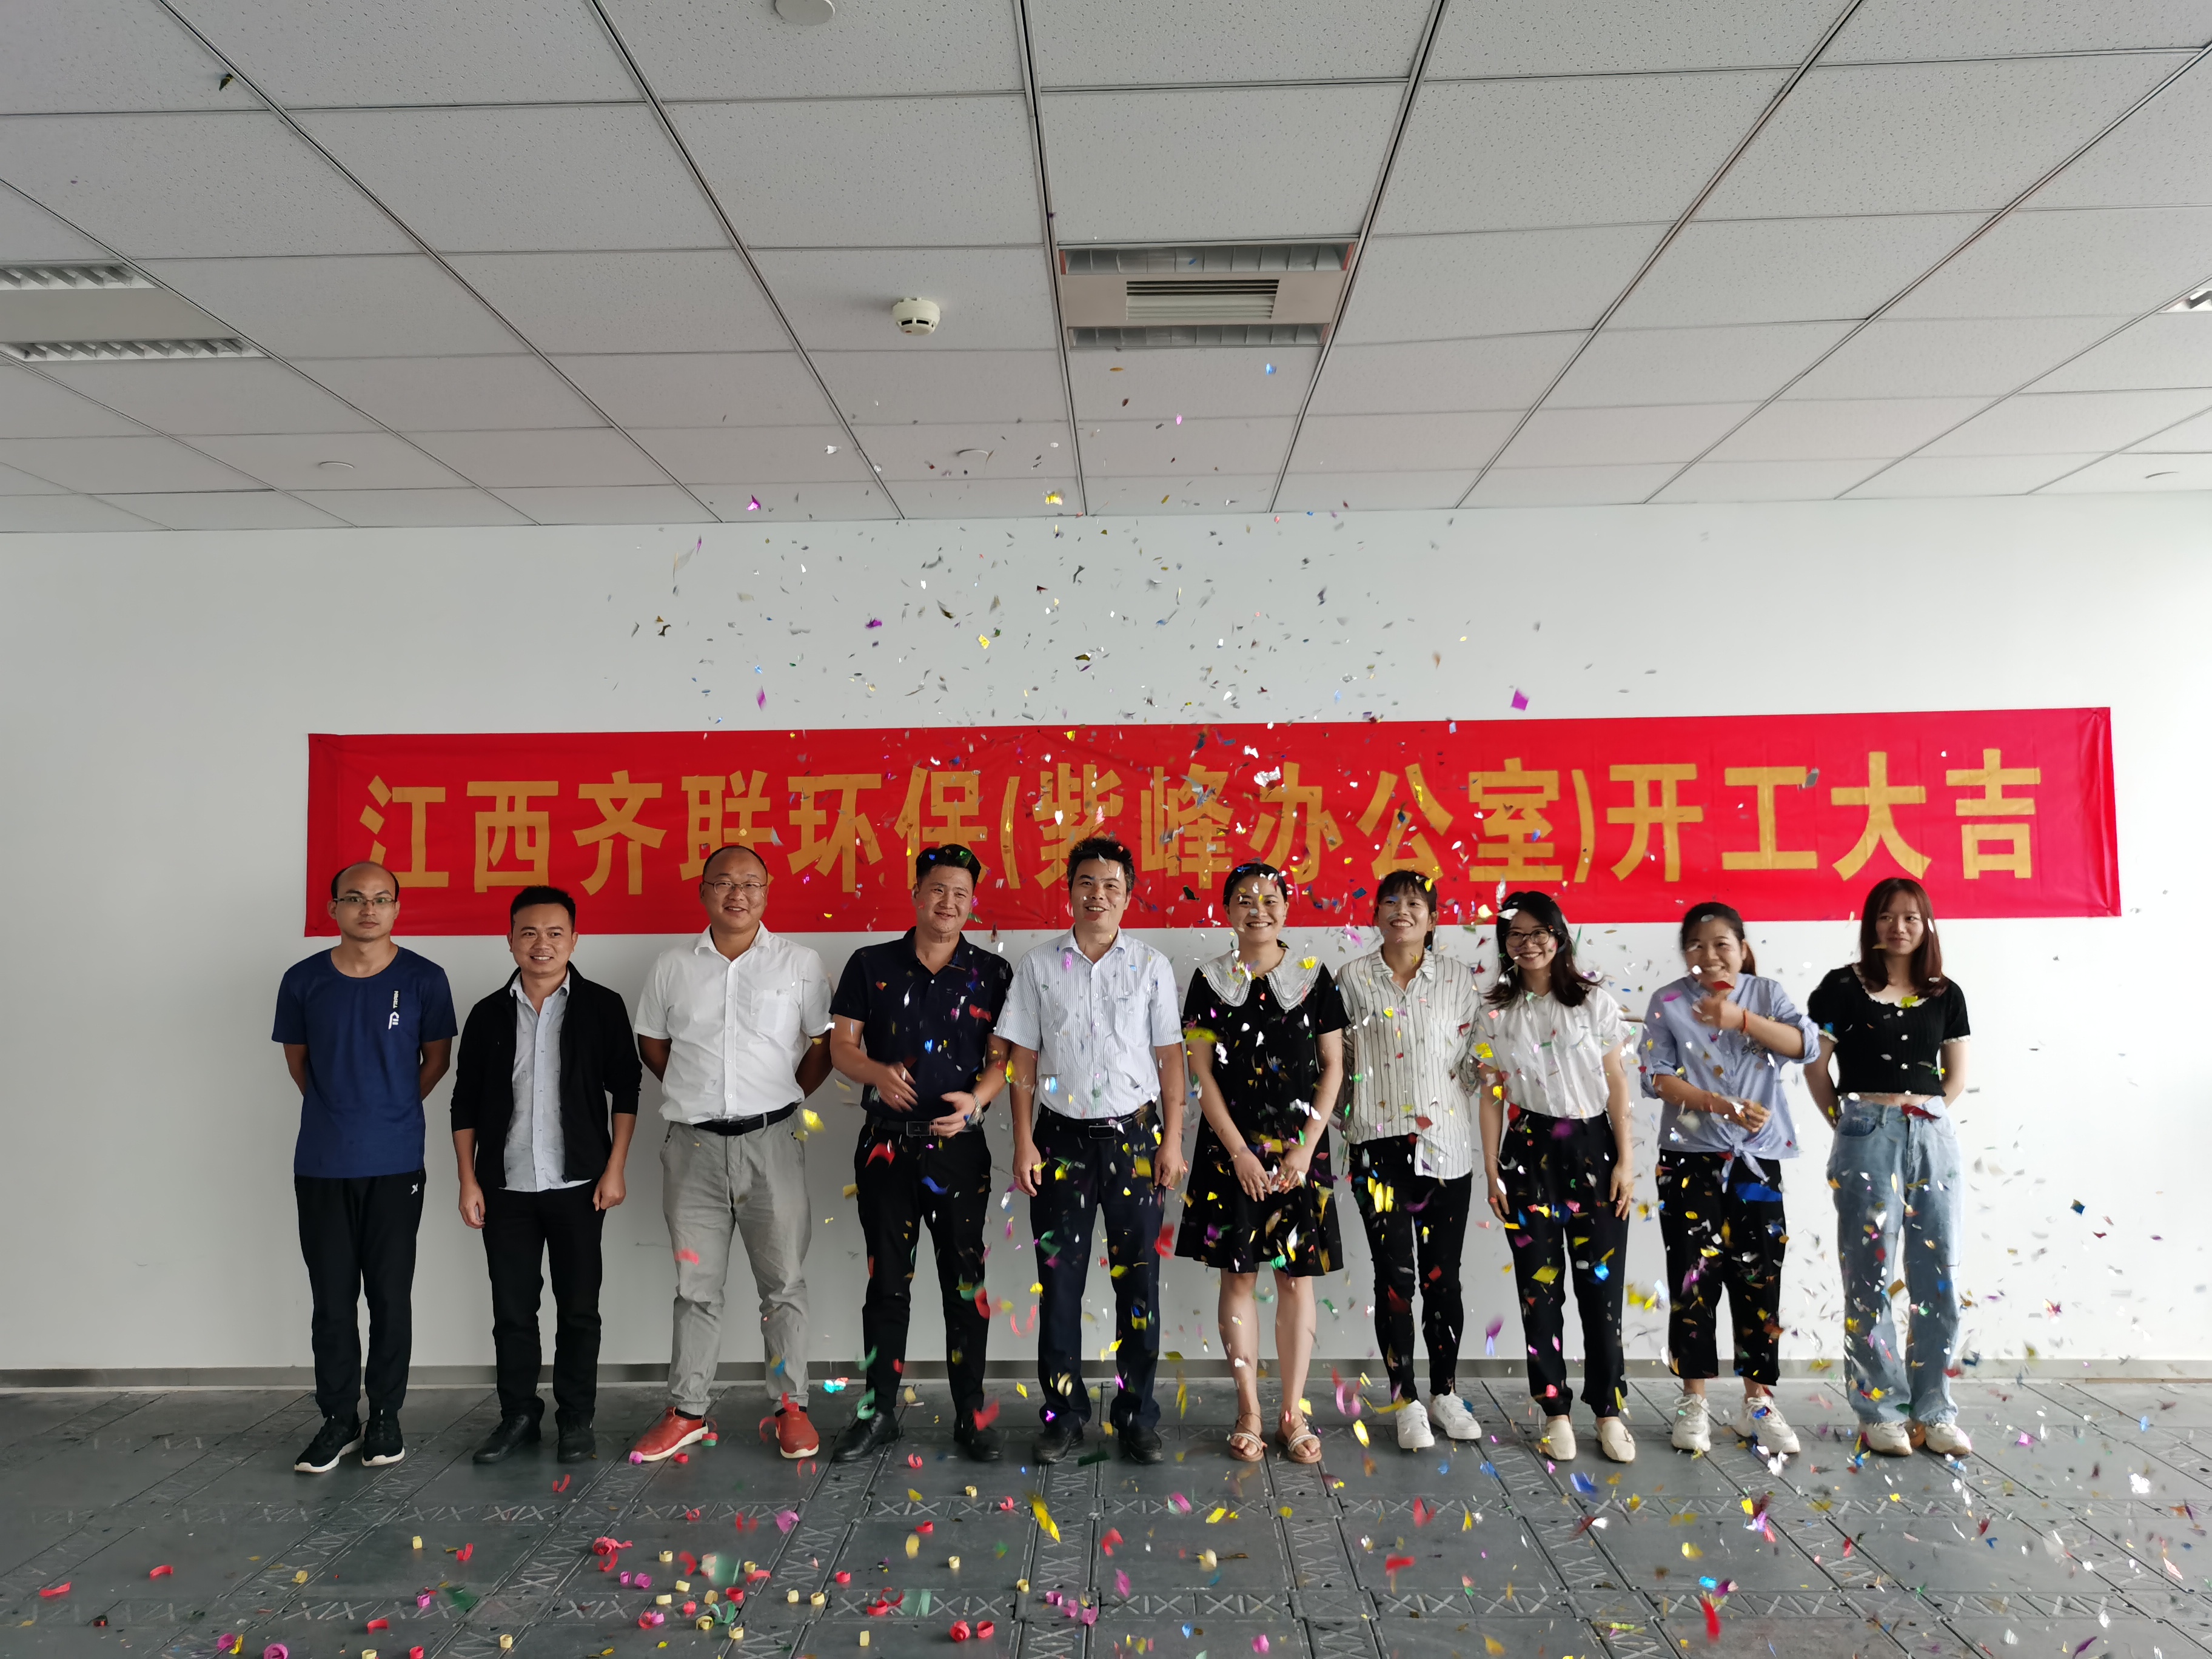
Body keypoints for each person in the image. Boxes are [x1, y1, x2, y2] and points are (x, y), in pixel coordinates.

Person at [630, 843, 833, 1463]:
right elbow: (652, 1043)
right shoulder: (672, 966)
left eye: (750, 883)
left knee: (784, 1283)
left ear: (767, 892)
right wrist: (697, 1096)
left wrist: (782, 1099)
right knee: (696, 1287)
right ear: (704, 892)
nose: (737, 894)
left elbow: (822, 1045)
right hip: (692, 1148)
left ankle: (791, 1406)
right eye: (723, 883)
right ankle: (688, 1410)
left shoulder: (800, 963)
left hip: (773, 1144)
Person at [1002, 836, 1188, 1464]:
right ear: (1070, 890)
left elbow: (1170, 1059)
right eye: (1087, 883)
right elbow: (1022, 1059)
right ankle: (1063, 1416)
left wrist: (1172, 1140)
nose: (1098, 895)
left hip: (1137, 1139)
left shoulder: (1151, 966)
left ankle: (1137, 1415)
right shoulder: (1037, 965)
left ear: (1128, 895)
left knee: (1139, 1284)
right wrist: (1023, 1140)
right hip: (1060, 1140)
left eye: (1111, 885)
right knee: (1059, 1286)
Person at [826, 846, 1013, 1464]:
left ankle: (971, 1415)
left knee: (965, 1286)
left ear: (972, 902)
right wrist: (877, 1073)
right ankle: (878, 1413)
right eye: (937, 890)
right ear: (916, 894)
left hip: (959, 1149)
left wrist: (978, 1101)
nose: (948, 903)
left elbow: (1004, 1059)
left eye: (960, 894)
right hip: (886, 1147)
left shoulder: (991, 972)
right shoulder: (870, 963)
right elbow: (842, 1048)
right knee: (887, 1283)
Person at [274, 862, 456, 1475]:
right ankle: (337, 1419)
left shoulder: (425, 978)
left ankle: (384, 1416)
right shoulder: (303, 981)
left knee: (389, 1297)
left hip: (396, 1162)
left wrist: (390, 1109)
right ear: (334, 909)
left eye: (381, 899)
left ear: (397, 908)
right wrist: (342, 1113)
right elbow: (299, 1064)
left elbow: (436, 1060)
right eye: (354, 898)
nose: (368, 909)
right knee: (331, 1300)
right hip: (322, 1163)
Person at [449, 886, 640, 1466]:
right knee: (513, 1311)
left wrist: (615, 1168)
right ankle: (518, 1416)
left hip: (579, 1185)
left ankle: (576, 1418)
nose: (542, 944)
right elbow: (464, 1101)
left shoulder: (602, 1006)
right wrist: (468, 1179)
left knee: (579, 1309)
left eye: (555, 933)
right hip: (504, 1186)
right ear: (509, 940)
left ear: (575, 940)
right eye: (529, 933)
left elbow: (627, 1090)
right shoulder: (487, 1013)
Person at [1175, 862, 1347, 1466]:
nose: (1259, 910)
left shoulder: (1314, 977)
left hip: (1301, 1152)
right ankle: (1248, 1409)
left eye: (1271, 900)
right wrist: (1239, 1152)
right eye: (1245, 900)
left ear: (1286, 909)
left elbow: (1333, 1067)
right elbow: (1200, 1074)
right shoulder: (1208, 981)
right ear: (1227, 911)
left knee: (1296, 1279)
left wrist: (1305, 1147)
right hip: (1231, 1152)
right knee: (1239, 1276)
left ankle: (1292, 1413)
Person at [1640, 902, 1819, 1460]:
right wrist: (1721, 1105)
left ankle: (1757, 1402)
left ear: (1742, 948)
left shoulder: (1766, 995)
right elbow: (1655, 1077)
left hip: (1757, 1161)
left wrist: (1741, 1019)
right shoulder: (1668, 1001)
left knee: (1760, 1277)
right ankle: (1693, 1400)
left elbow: (1807, 1045)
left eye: (1721, 943)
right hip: (1688, 1159)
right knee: (1694, 1278)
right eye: (1696, 945)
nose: (1709, 954)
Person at [1804, 877, 1972, 1459]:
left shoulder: (1946, 993)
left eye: (1910, 917)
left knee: (1938, 1277)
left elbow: (1955, 1076)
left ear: (1926, 926)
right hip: (1865, 1132)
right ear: (1871, 923)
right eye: (1886, 916)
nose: (1898, 927)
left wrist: (1920, 1118)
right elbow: (1816, 1069)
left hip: (1932, 1136)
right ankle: (1881, 1410)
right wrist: (1851, 1124)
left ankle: (1934, 1410)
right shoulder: (1840, 988)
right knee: (1868, 1277)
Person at [1478, 890, 1637, 1464]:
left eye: (1539, 932)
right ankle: (1556, 1410)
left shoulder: (1594, 1002)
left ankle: (1609, 1409)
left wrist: (1626, 1161)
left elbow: (1616, 1083)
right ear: (1505, 943)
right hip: (1528, 1148)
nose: (1528, 944)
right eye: (1516, 934)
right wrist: (1491, 1166)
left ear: (1559, 936)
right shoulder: (1495, 1010)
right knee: (1538, 1289)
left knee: (1602, 1289)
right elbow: (1493, 1092)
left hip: (1594, 1146)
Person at [1335, 869, 1486, 1450]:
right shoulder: (1352, 979)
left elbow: (1473, 1060)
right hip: (1377, 1150)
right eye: (1391, 901)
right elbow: (1339, 1063)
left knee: (1443, 1279)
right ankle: (1407, 1401)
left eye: (1415, 903)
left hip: (1446, 1148)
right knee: (1395, 1280)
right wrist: (1349, 1124)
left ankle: (1445, 1393)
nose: (1402, 910)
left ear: (1432, 918)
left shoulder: (1457, 979)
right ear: (1375, 914)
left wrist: (1487, 1070)